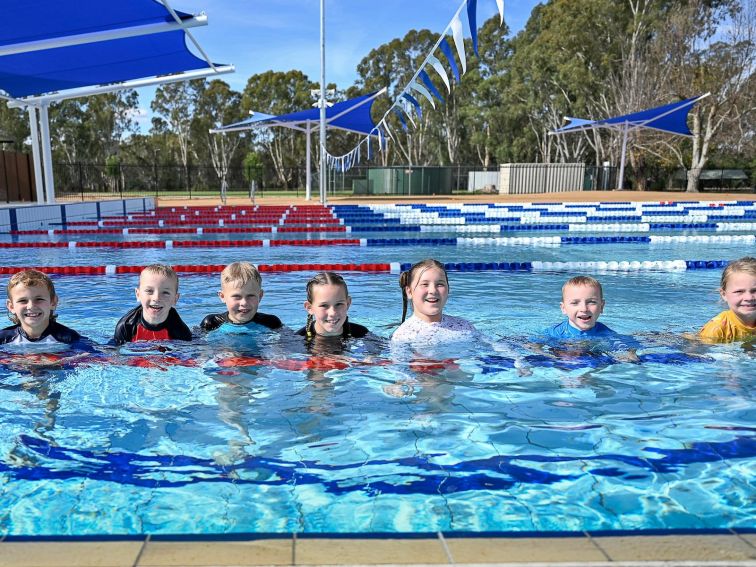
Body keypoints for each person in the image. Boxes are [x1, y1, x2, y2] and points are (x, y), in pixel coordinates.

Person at [538, 275, 638, 359]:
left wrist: (630, 354)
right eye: (575, 303)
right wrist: (547, 355)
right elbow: (532, 345)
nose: (584, 309)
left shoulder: (605, 333)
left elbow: (626, 346)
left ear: (602, 306)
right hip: (561, 358)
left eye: (591, 302)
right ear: (564, 308)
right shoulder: (555, 332)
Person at [390, 259, 478, 345]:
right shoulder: (402, 337)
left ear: (448, 289)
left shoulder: (464, 326)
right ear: (409, 292)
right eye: (424, 284)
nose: (433, 290)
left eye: (440, 284)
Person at [1, 269, 86, 347]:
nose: (31, 306)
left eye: (39, 299)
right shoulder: (3, 339)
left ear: (53, 302)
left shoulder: (69, 338)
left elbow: (95, 357)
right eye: (23, 300)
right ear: (11, 306)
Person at [113, 264, 192, 345]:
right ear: (138, 294)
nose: (156, 298)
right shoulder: (126, 326)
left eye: (165, 292)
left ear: (175, 299)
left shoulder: (181, 331)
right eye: (149, 291)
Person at [200, 261, 282, 333]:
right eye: (237, 296)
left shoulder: (271, 323)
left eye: (250, 296)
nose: (244, 303)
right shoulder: (211, 323)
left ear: (260, 296)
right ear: (222, 296)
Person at [297, 272, 369, 341]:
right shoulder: (297, 341)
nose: (333, 313)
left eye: (339, 304)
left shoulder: (362, 334)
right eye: (324, 305)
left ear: (348, 303)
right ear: (310, 308)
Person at [699, 256, 756, 342]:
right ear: (724, 294)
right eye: (739, 291)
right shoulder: (716, 330)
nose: (749, 298)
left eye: (755, 290)